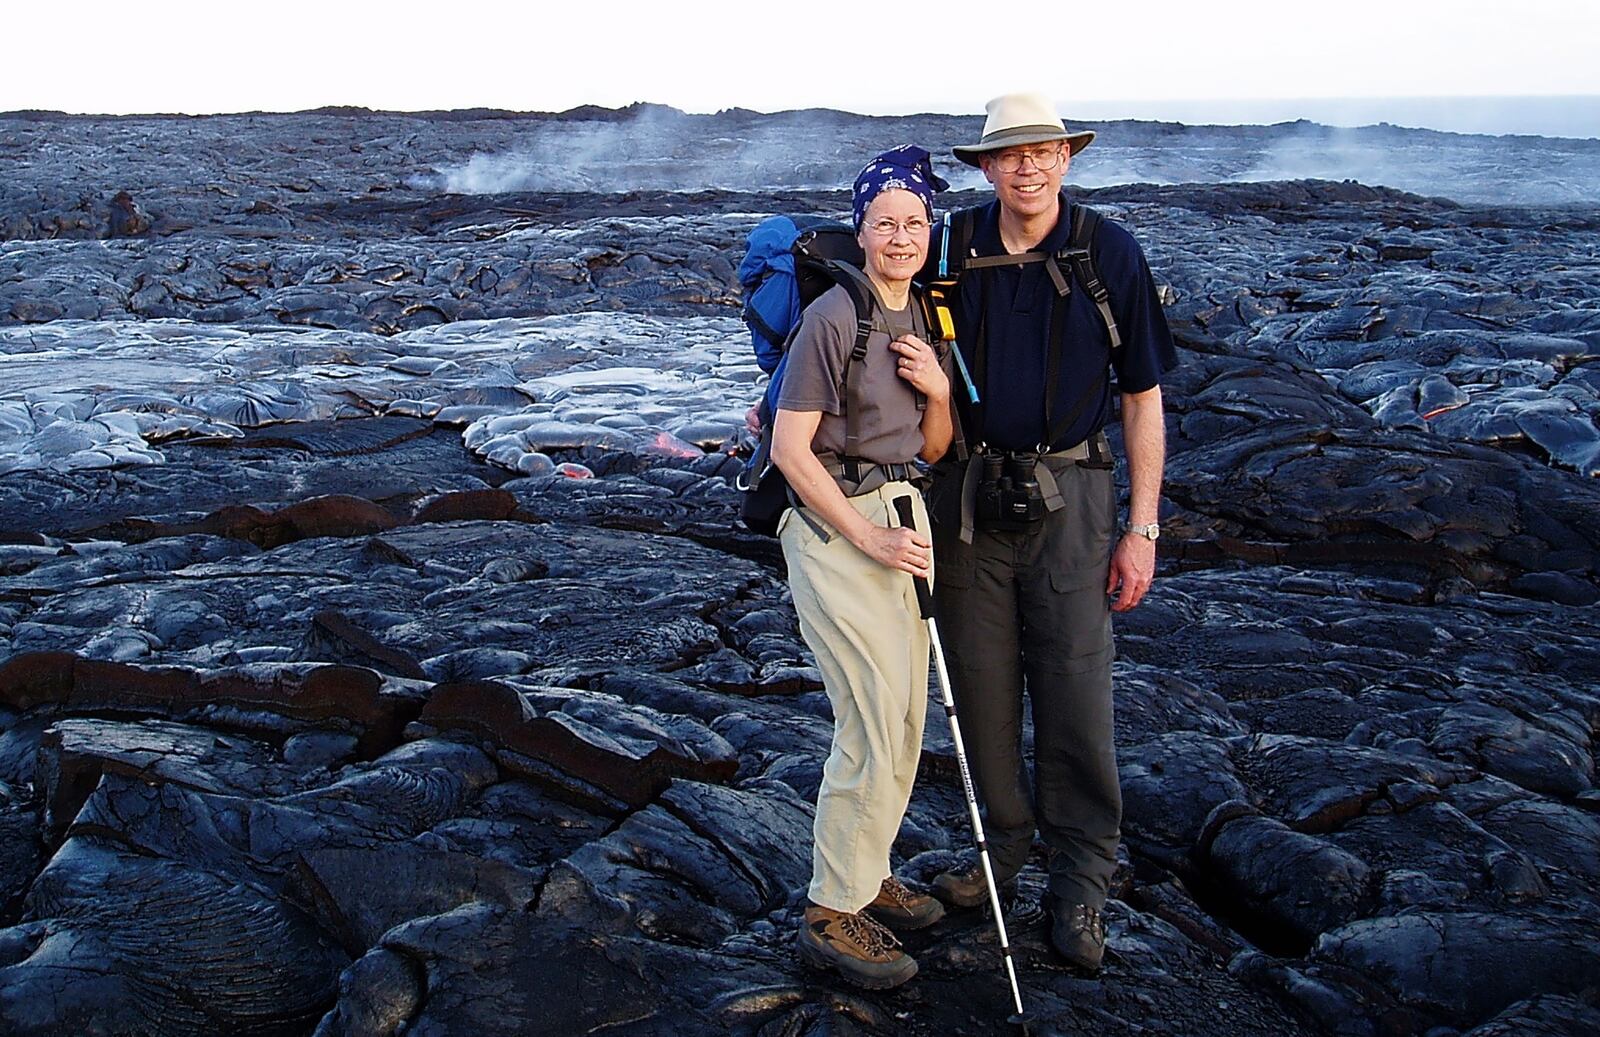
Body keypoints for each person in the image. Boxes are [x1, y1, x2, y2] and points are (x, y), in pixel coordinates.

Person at [922, 93, 1177, 973]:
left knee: (1075, 699)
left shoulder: (1109, 253)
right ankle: (999, 856)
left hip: (1075, 501)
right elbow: (876, 315)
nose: (1029, 167)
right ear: (985, 167)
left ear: (1067, 158)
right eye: (1011, 155)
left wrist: (1142, 529)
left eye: (1045, 151)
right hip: (965, 500)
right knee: (981, 697)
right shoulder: (949, 247)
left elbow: (1142, 397)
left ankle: (1080, 888)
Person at [773, 145, 958, 990]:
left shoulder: (923, 314)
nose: (900, 236)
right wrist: (864, 535)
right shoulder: (834, 319)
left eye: (914, 221)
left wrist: (943, 392)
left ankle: (868, 869)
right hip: (837, 527)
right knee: (872, 717)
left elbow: (933, 447)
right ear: (862, 229)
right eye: (884, 222)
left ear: (931, 230)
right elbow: (789, 449)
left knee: (908, 715)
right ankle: (830, 908)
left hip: (902, 517)